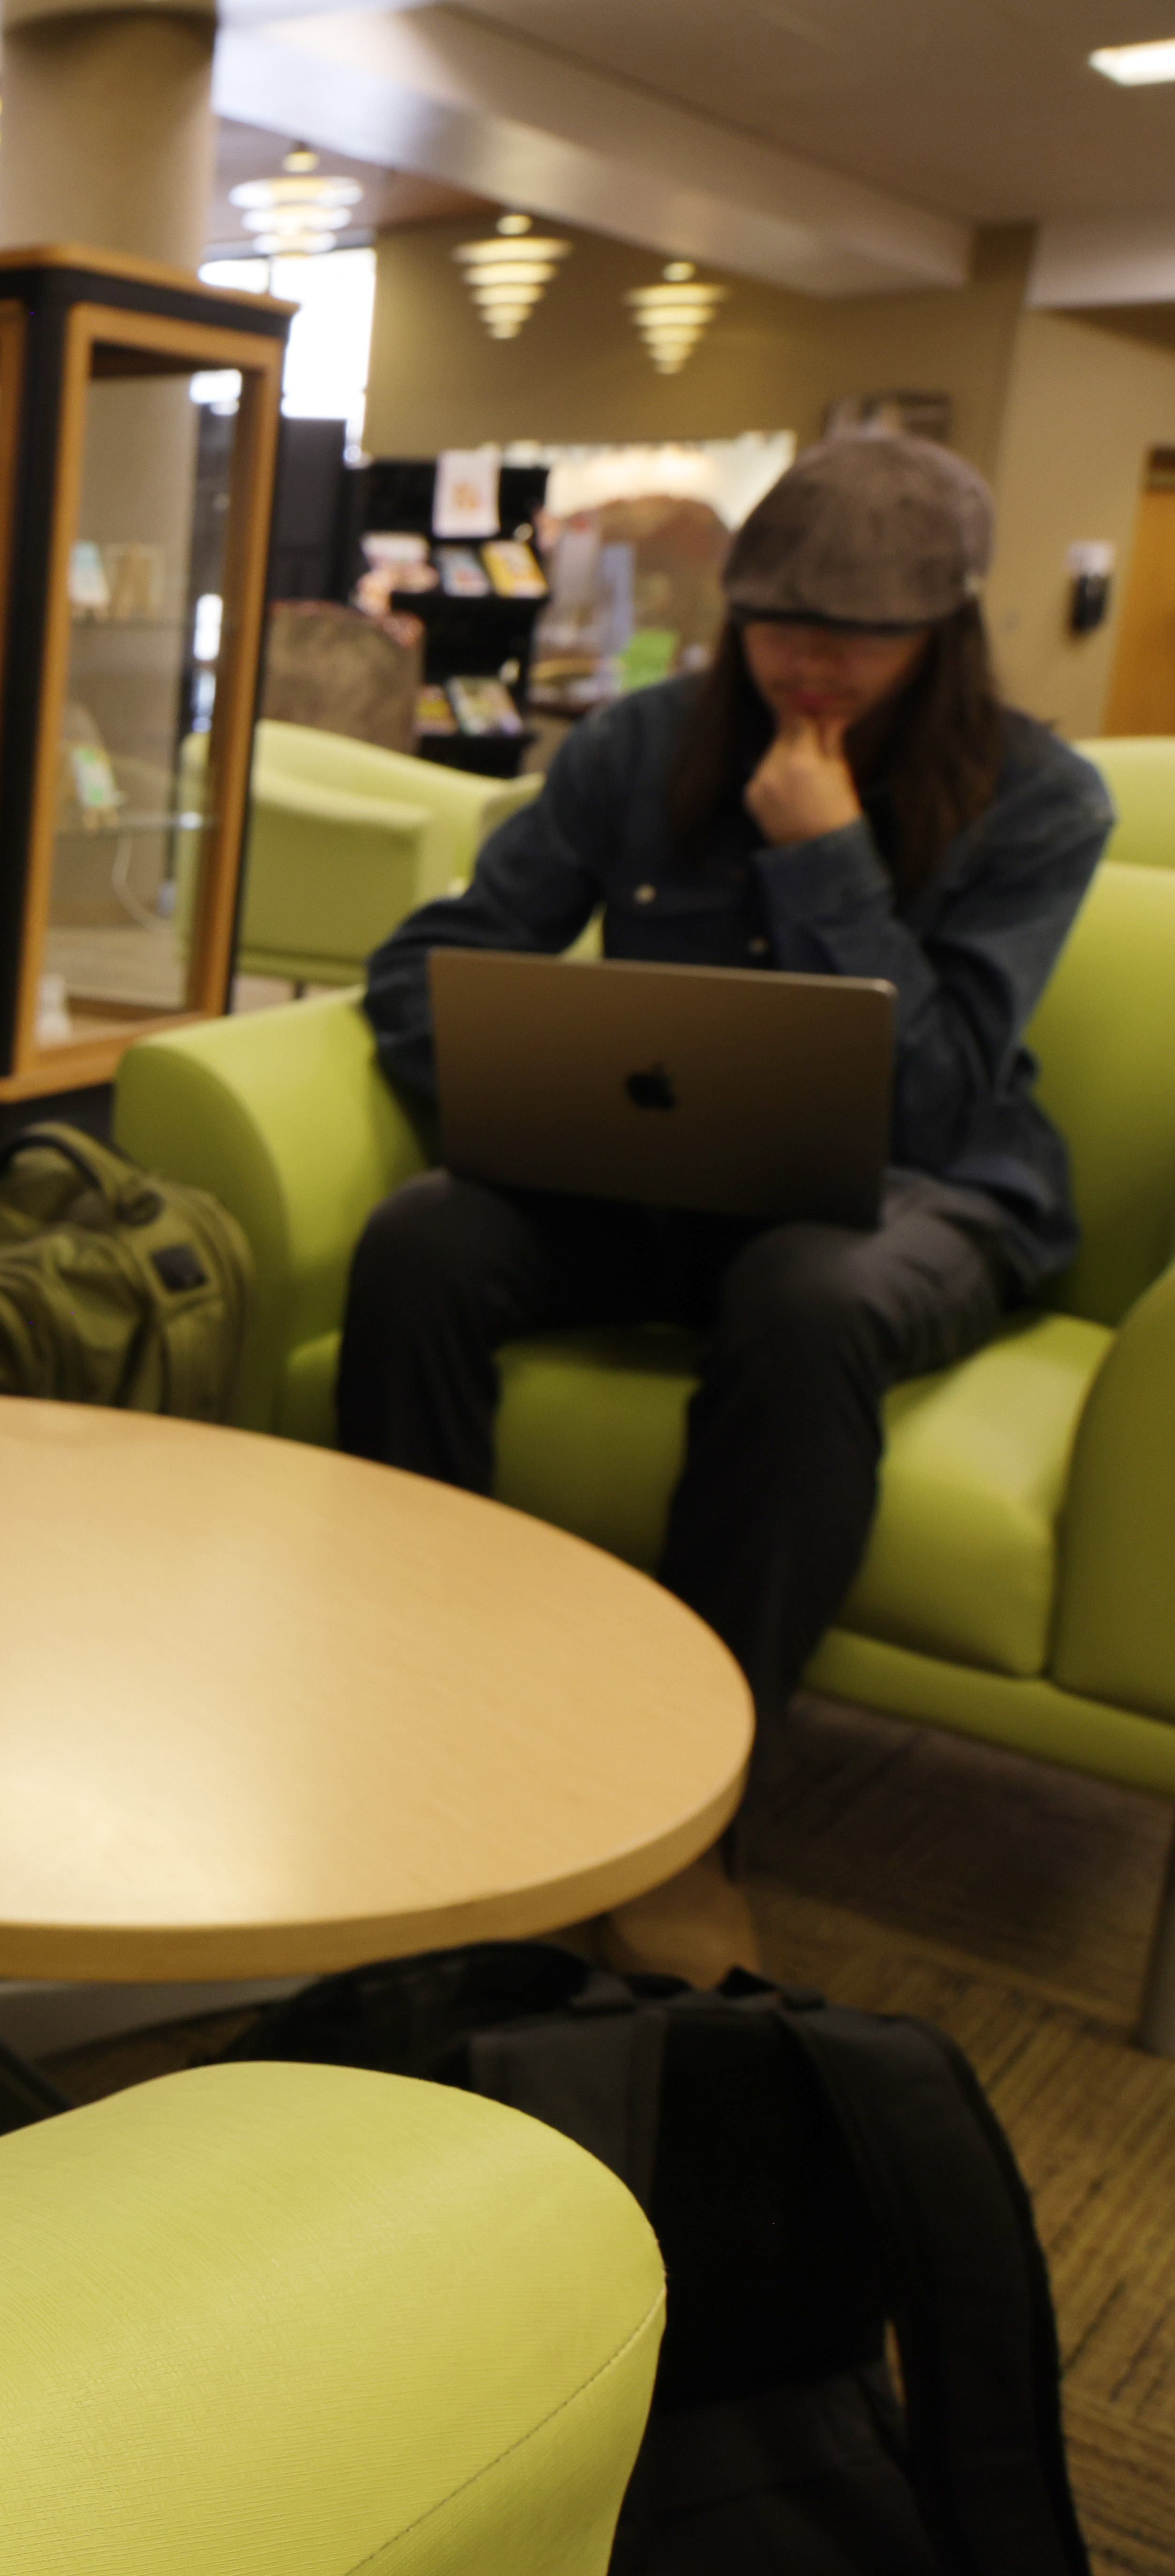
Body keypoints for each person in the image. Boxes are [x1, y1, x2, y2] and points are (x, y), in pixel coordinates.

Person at [338, 438, 1109, 1982]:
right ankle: (417, 1713)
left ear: (941, 630)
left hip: (923, 1198)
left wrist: (826, 859)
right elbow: (427, 965)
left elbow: (936, 1103)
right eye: (778, 624)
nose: (811, 661)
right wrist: (524, 1092)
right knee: (427, 1236)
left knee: (806, 1295)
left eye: (860, 635)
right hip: (661, 1183)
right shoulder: (640, 746)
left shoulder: (1039, 799)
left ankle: (690, 1815)